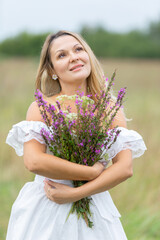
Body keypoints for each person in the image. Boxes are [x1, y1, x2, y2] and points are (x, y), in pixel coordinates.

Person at [6, 30, 147, 240]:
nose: (74, 57)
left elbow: (124, 167)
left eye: (78, 49)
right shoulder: (42, 107)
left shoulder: (110, 110)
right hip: (47, 203)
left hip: (93, 203)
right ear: (52, 70)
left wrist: (75, 193)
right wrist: (89, 173)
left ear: (88, 55)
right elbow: (33, 161)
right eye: (62, 55)